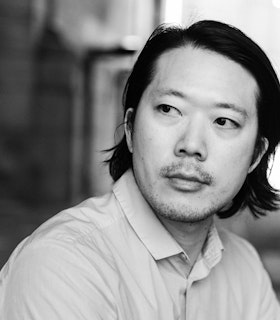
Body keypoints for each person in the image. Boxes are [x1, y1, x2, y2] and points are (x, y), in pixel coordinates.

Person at [1, 20, 280, 320]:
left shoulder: (246, 270)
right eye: (169, 109)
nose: (191, 144)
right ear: (131, 129)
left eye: (223, 121)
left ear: (255, 155)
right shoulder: (62, 263)